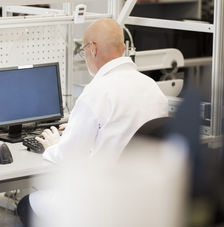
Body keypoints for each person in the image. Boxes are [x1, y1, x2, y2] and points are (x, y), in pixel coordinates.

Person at [17, 18, 169, 226]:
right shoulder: (152, 88)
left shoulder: (96, 93)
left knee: (26, 204)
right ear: (124, 48)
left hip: (101, 201)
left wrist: (53, 145)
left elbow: (69, 156)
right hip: (142, 201)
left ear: (93, 49)